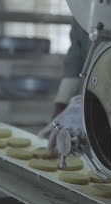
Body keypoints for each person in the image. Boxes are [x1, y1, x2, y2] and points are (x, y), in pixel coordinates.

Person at [38, 20, 90, 153]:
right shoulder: (82, 10)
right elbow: (75, 60)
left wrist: (90, 107)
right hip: (88, 96)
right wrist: (61, 105)